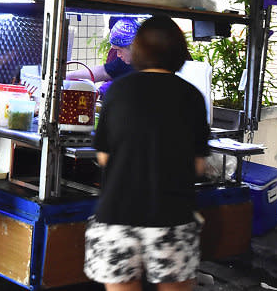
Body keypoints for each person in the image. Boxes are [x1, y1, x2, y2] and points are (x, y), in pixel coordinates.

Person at [84, 15, 210, 291]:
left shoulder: (117, 91)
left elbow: (103, 157)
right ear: (179, 52)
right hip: (171, 216)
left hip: (117, 217)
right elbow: (198, 165)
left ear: (138, 50)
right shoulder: (191, 96)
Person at [66, 17, 139, 86]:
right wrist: (66, 75)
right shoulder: (124, 62)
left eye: (119, 50)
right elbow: (103, 71)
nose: (118, 55)